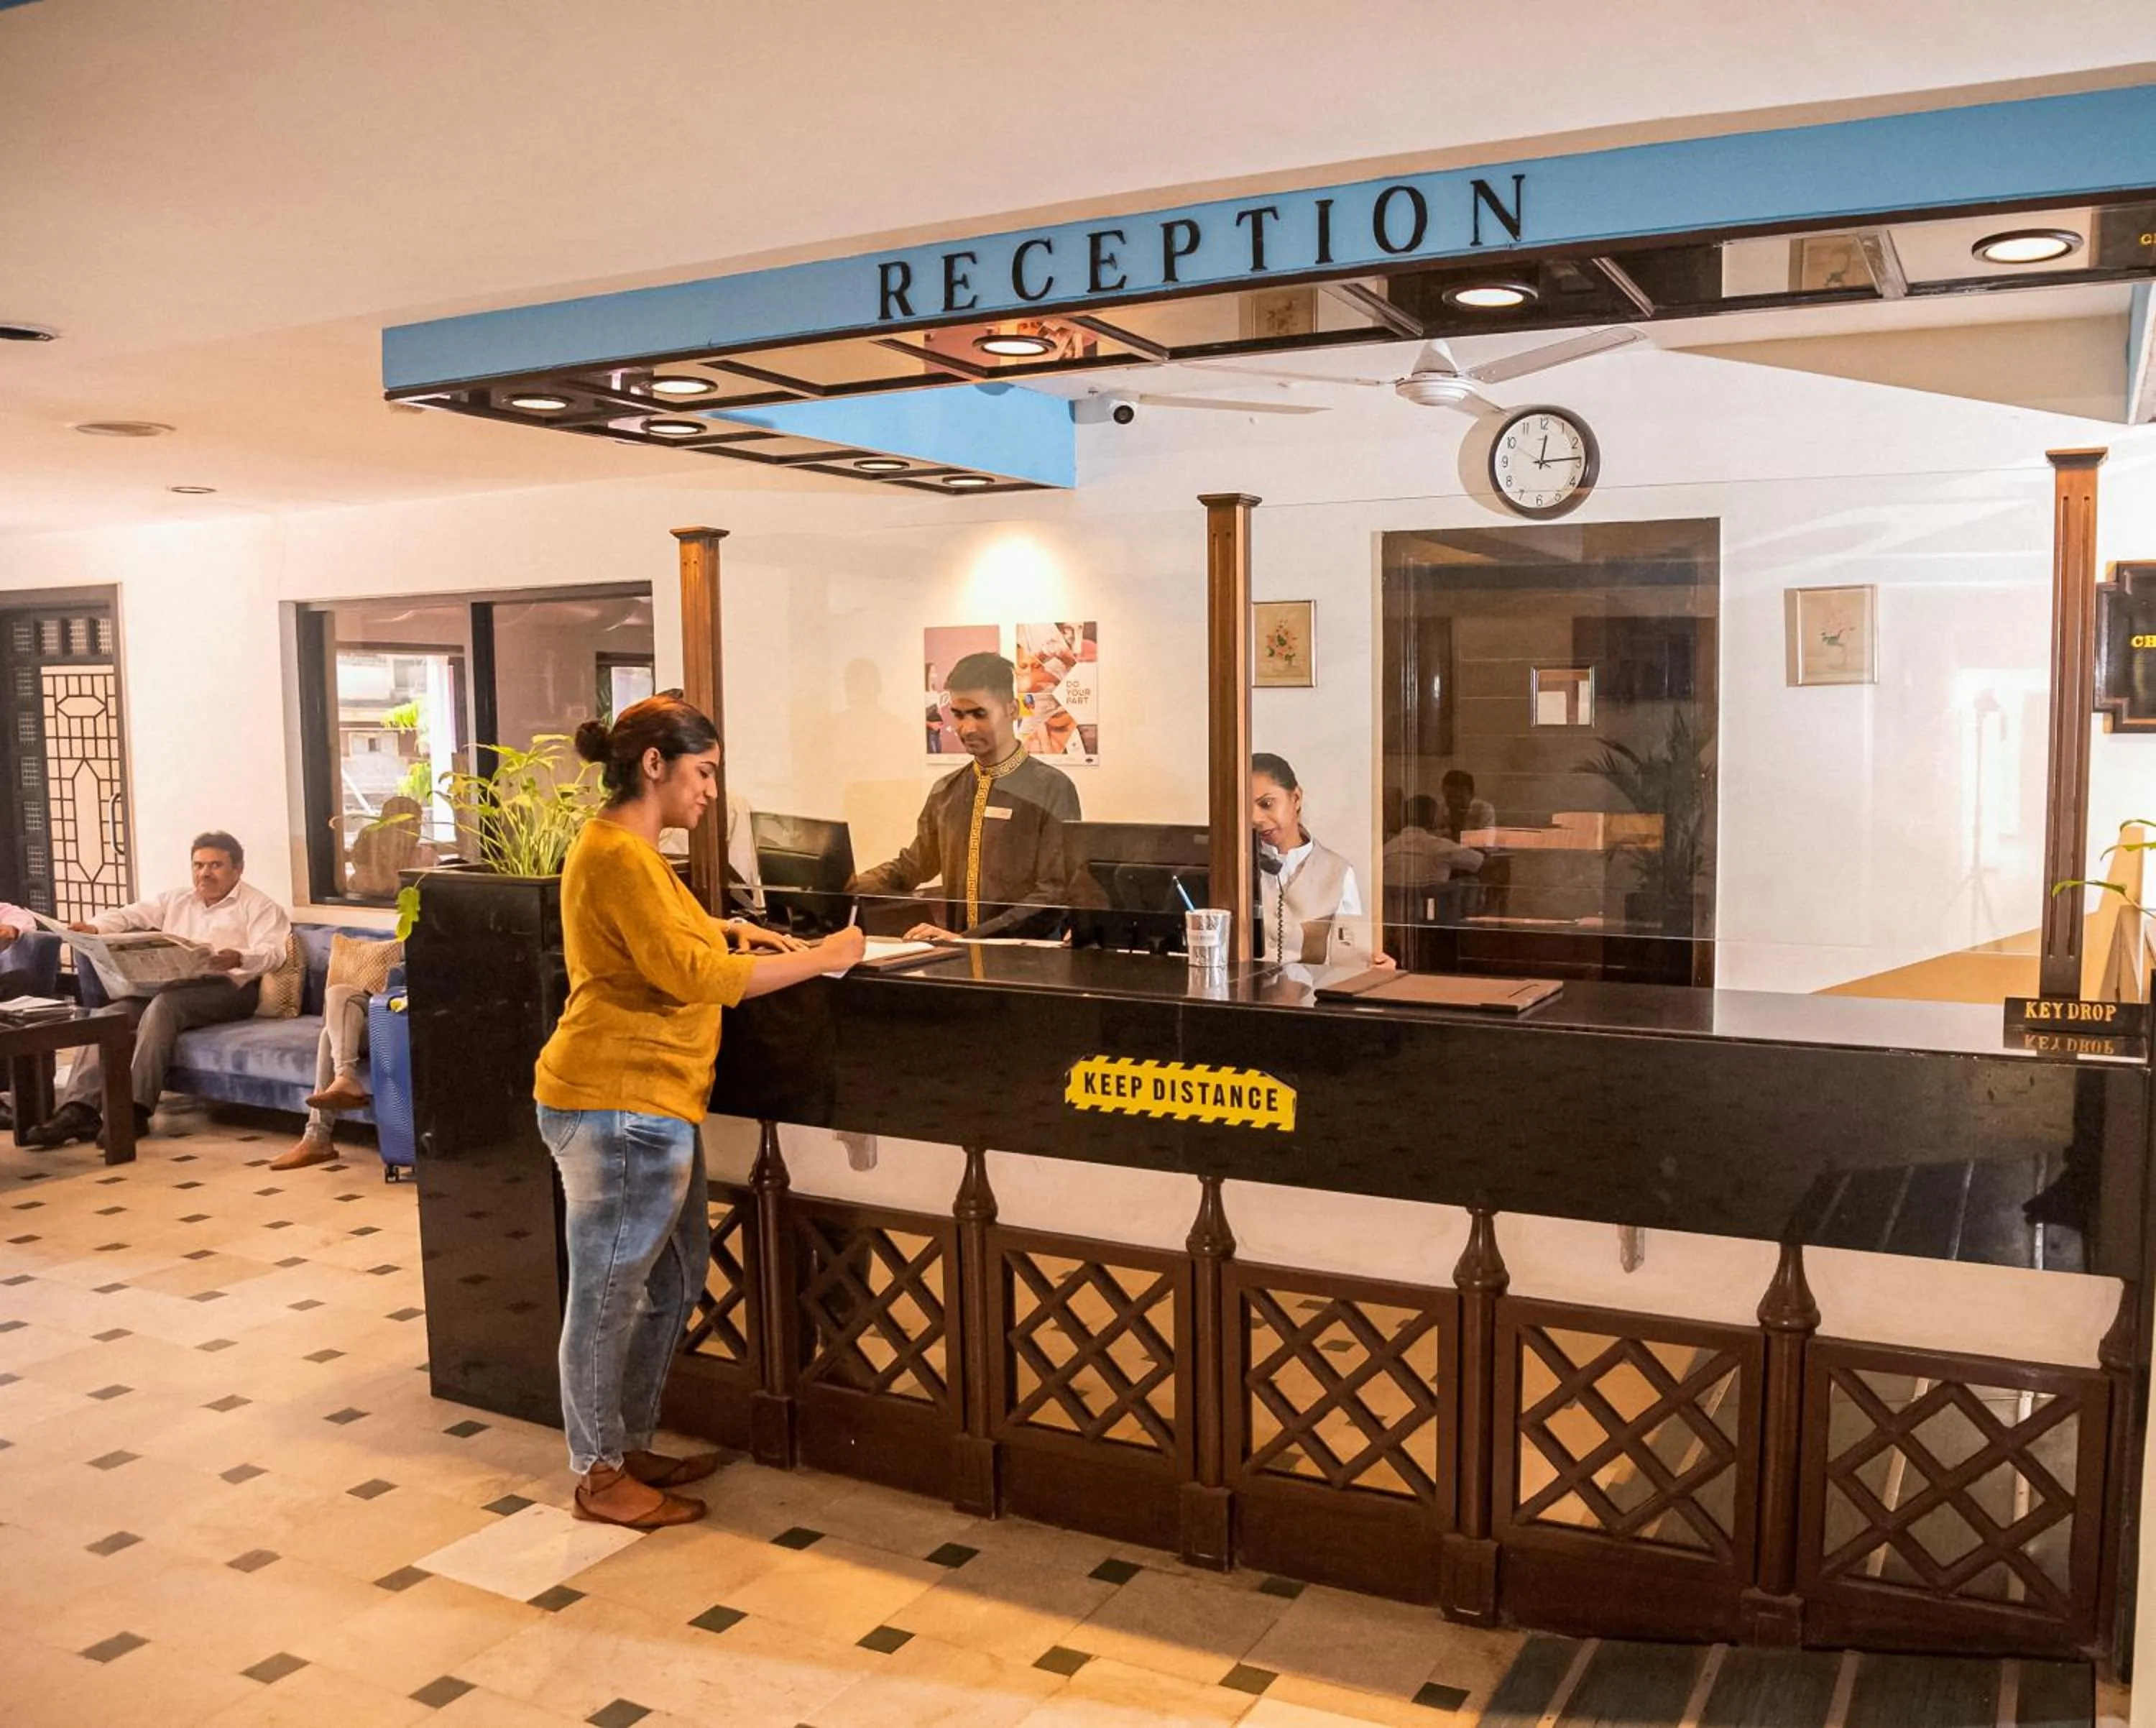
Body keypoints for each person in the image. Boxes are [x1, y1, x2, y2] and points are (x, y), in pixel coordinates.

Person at [535, 694, 864, 1529]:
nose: (713, 790)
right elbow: (695, 978)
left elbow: (671, 939)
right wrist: (826, 955)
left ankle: (625, 1440)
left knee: (676, 1278)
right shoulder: (618, 854)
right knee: (609, 1293)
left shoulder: (636, 854)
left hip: (654, 1103)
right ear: (656, 765)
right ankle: (599, 1473)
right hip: (615, 1099)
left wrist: (728, 927)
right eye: (705, 771)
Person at [24, 832, 290, 1149]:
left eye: (216, 865)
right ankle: (78, 1111)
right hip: (171, 985)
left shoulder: (259, 906)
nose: (205, 873)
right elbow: (129, 914)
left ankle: (133, 1110)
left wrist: (240, 956)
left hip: (230, 989)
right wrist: (95, 927)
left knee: (165, 1007)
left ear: (238, 868)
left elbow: (274, 953)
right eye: (199, 865)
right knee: (109, 1016)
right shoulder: (176, 899)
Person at [849, 651, 1081, 940]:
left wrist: (971, 938)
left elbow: (1054, 894)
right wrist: (847, 884)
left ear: (1012, 710)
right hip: (957, 960)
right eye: (958, 715)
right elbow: (913, 866)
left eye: (979, 714)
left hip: (1028, 963)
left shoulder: (1052, 789)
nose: (966, 728)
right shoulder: (947, 791)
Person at [272, 946, 399, 1172]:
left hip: (406, 1016)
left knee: (329, 1034)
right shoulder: (420, 929)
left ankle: (318, 1136)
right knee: (339, 994)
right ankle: (345, 1078)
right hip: (386, 1008)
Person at [1250, 753, 1383, 967]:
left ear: (1296, 798)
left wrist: (1373, 969)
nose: (1255, 818)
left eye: (1266, 804)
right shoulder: (1228, 869)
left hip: (1308, 995)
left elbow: (1350, 960)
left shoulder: (1337, 871)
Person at [1383, 794, 1486, 891]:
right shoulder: (1441, 846)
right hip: (1435, 908)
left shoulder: (1386, 849)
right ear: (1434, 819)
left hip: (1395, 908)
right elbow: (1480, 862)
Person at [1441, 769, 1497, 839]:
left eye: (1459, 797)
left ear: (1472, 794)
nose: (1455, 802)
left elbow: (1487, 844)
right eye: (1450, 797)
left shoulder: (1484, 810)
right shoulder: (1441, 810)